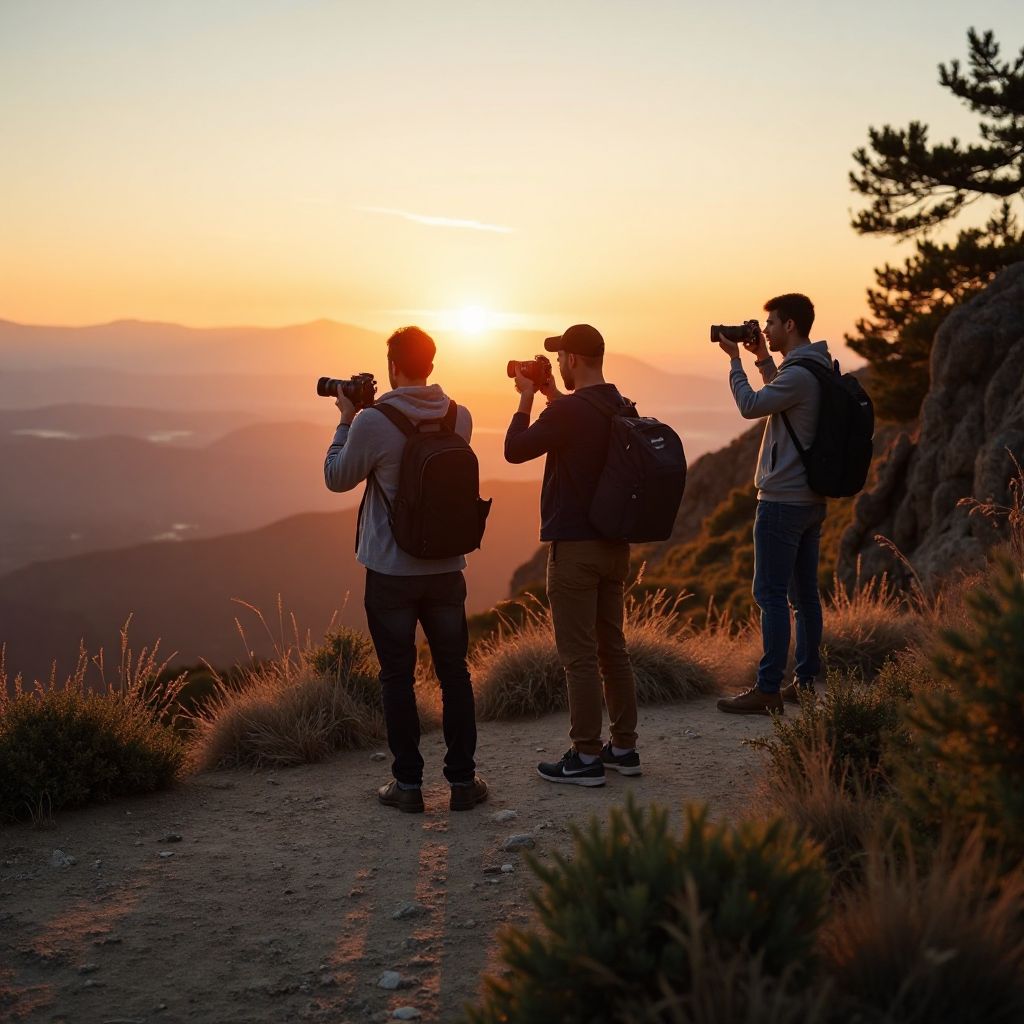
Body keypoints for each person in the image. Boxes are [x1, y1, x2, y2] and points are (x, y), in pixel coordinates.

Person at [324, 326, 487, 813]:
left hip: (391, 571)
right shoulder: (460, 416)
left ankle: (408, 786)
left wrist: (346, 421)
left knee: (397, 677)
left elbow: (336, 478)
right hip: (446, 569)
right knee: (454, 674)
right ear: (431, 366)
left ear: (392, 366)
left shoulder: (373, 422)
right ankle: (463, 782)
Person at [504, 323, 641, 786]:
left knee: (579, 657)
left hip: (575, 551)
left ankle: (585, 757)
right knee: (613, 650)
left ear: (574, 360)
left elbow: (514, 450)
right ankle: (623, 748)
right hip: (614, 548)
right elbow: (581, 423)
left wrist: (526, 398)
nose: (558, 363)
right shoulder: (620, 403)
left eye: (561, 356)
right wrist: (550, 393)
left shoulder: (570, 411)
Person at [714, 293, 832, 715]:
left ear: (790, 325)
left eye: (771, 324)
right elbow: (783, 395)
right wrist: (764, 360)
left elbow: (751, 406)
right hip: (810, 499)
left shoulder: (800, 374)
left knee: (771, 594)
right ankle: (804, 682)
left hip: (783, 501)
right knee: (804, 598)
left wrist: (735, 362)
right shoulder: (817, 366)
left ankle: (767, 689)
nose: (764, 329)